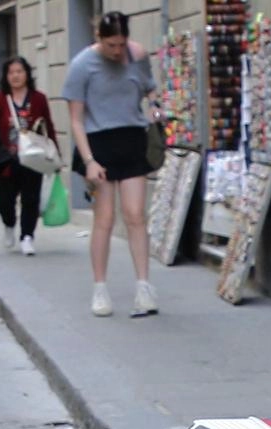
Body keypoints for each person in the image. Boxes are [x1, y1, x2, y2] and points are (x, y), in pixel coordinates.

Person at [62, 11, 164, 317]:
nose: (117, 51)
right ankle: (100, 288)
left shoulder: (138, 55)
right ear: (99, 38)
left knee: (136, 215)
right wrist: (90, 161)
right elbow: (76, 120)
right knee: (104, 218)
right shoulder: (82, 65)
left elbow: (149, 87)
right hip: (97, 141)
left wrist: (155, 106)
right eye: (110, 45)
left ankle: (144, 286)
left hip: (132, 138)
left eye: (121, 44)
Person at [0, 56, 58, 256]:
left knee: (31, 199)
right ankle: (9, 224)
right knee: (5, 201)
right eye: (12, 72)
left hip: (33, 158)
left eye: (20, 71)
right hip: (6, 161)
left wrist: (55, 155)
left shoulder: (38, 99)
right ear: (6, 76)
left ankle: (27, 236)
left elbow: (48, 126)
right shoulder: (0, 100)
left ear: (27, 74)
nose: (16, 76)